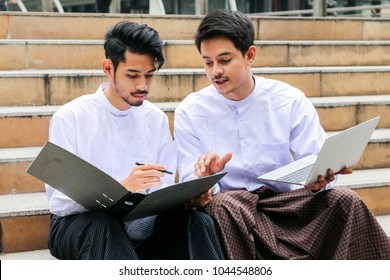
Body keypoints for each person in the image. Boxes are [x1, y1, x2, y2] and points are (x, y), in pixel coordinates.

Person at [174, 9, 390, 260]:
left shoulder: (287, 100)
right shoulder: (190, 110)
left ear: (249, 55)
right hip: (232, 206)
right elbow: (192, 187)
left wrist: (321, 178)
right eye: (208, 62)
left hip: (287, 203)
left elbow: (316, 159)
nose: (215, 71)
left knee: (345, 200)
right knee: (223, 207)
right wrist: (205, 179)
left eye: (224, 60)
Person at [45, 20, 224, 260]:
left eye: (149, 75)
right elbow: (60, 204)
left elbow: (163, 190)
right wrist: (120, 190)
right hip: (76, 226)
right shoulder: (70, 117)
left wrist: (192, 195)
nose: (143, 85)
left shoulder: (155, 119)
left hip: (136, 222)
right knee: (104, 225)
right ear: (108, 68)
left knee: (197, 221)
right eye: (133, 75)